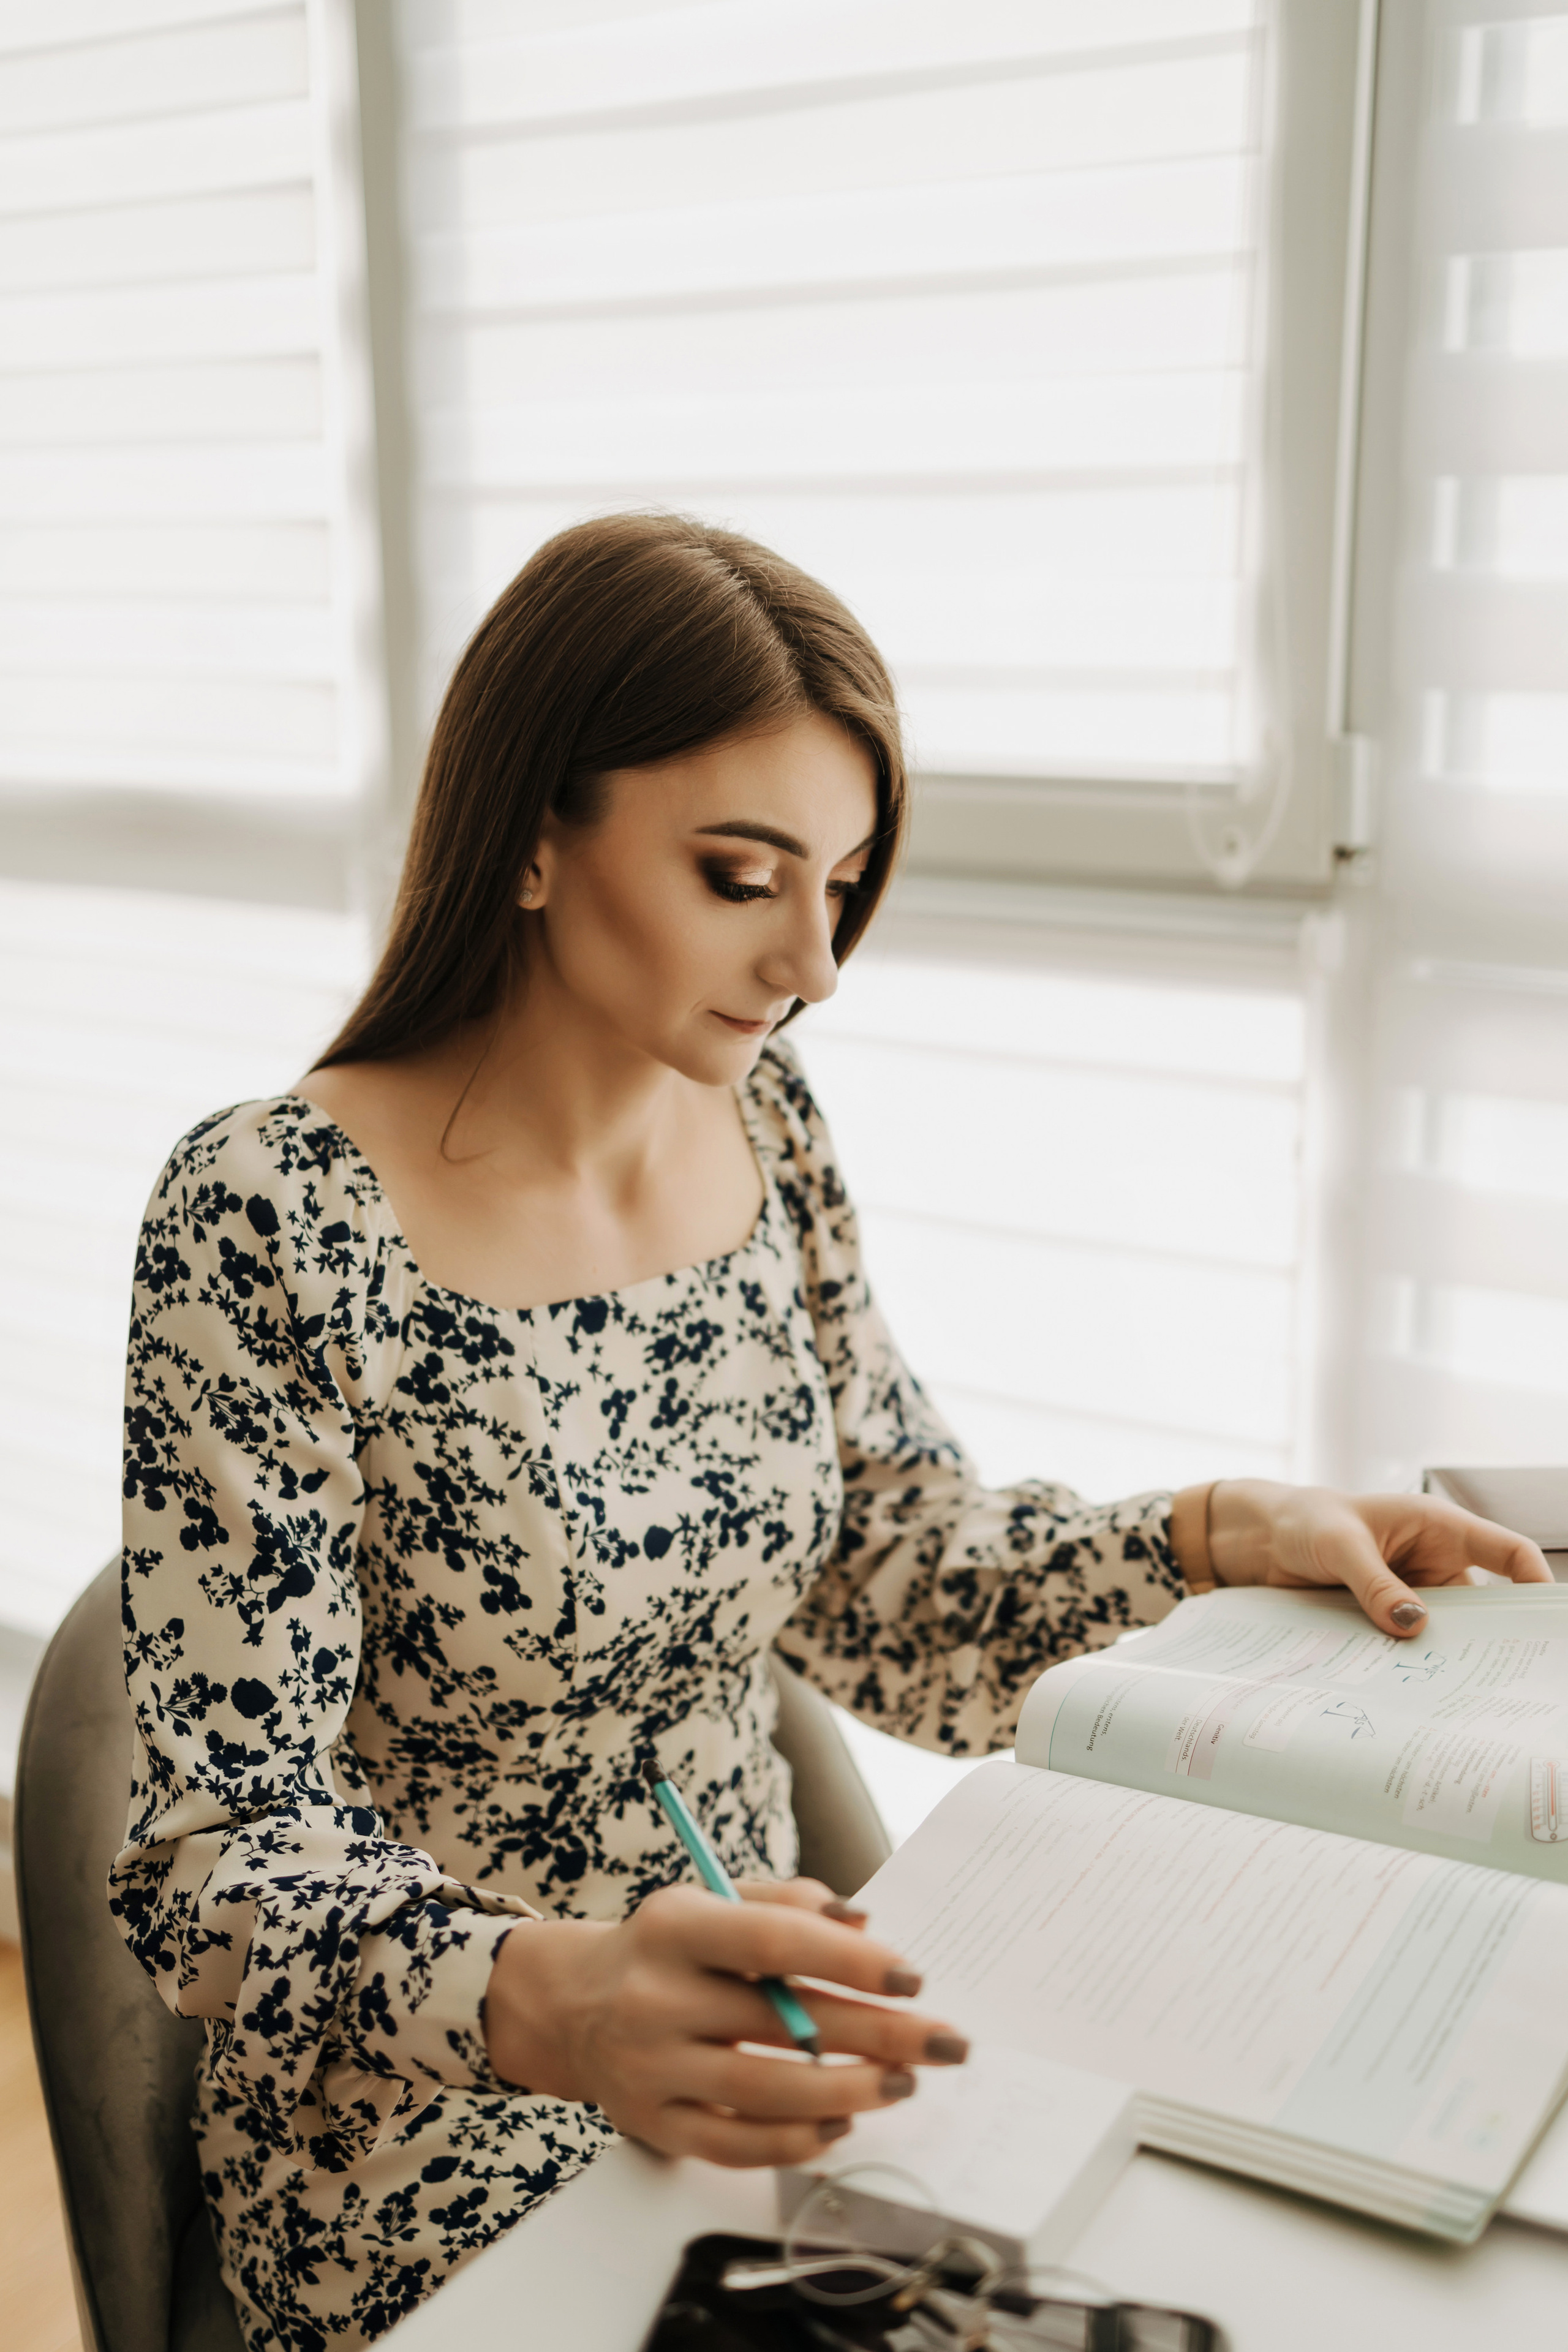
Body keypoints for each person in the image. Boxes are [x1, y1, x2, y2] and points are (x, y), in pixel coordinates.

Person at [111, 514, 1551, 2351]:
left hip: (791, 2027)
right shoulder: (271, 1213)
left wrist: (1219, 1532)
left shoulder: (761, 1123)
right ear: (537, 835)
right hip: (438, 2130)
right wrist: (563, 2006)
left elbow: (885, 1576)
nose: (815, 959)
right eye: (740, 875)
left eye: (844, 885)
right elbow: (213, 1859)